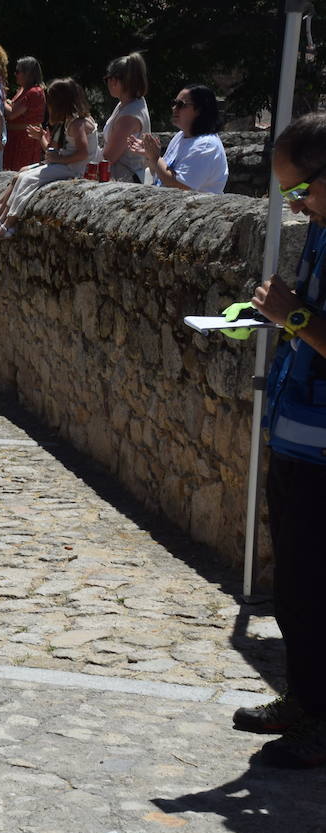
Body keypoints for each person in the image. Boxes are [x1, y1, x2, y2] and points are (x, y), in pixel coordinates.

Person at [235, 111, 326, 768]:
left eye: (300, 191)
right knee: (294, 586)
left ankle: (321, 723)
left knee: (318, 588)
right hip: (298, 439)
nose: (295, 206)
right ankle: (304, 699)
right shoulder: (321, 232)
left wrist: (291, 314)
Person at [0, 78, 96, 242]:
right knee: (22, 175)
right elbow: (55, 152)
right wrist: (42, 139)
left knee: (27, 179)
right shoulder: (69, 122)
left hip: (71, 169)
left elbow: (83, 154)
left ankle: (8, 224)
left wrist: (59, 159)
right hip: (64, 165)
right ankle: (0, 218)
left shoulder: (77, 124)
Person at [128, 84, 228, 194]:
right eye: (174, 103)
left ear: (199, 110)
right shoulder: (181, 136)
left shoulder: (206, 146)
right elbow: (161, 174)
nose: (174, 108)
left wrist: (156, 158)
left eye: (181, 104)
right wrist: (149, 155)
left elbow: (180, 186)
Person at [100, 51, 151, 182]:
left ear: (114, 80)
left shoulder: (129, 116)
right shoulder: (129, 104)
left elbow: (109, 156)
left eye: (107, 79)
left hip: (125, 180)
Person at [4, 57, 46, 171]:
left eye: (18, 71)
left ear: (28, 73)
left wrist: (0, 99)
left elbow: (12, 114)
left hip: (24, 140)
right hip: (14, 137)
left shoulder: (34, 92)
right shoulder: (23, 89)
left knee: (18, 172)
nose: (15, 74)